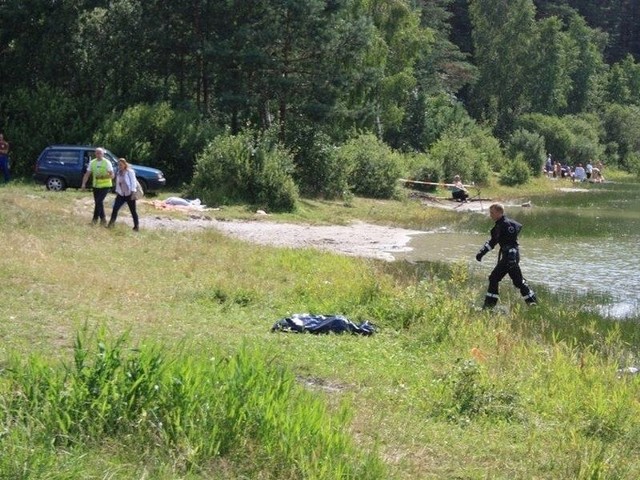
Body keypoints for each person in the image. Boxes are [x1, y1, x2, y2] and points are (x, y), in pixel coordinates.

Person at [475, 203, 537, 309]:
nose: (490, 215)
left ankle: (488, 306)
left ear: (499, 213)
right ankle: (533, 303)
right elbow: (492, 242)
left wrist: (512, 258)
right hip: (507, 257)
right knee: (518, 281)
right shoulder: (497, 227)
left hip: (510, 257)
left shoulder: (508, 225)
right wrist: (482, 253)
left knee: (494, 278)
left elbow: (512, 242)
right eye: (490, 212)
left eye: (492, 213)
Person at [81, 147, 114, 225]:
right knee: (98, 203)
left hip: (105, 185)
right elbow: (87, 174)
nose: (98, 154)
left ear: (103, 154)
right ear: (95, 154)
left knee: (98, 202)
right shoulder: (92, 162)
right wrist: (83, 184)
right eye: (97, 153)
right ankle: (103, 220)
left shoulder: (107, 162)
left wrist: (103, 177)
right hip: (96, 186)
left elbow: (112, 175)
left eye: (100, 153)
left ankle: (94, 220)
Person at [108, 158, 139, 231]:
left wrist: (133, 192)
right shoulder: (118, 172)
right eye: (118, 165)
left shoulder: (130, 172)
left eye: (121, 165)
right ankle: (111, 225)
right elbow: (118, 183)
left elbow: (133, 182)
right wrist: (117, 191)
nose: (119, 166)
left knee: (133, 211)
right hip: (121, 194)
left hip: (129, 194)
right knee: (115, 208)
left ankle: (136, 226)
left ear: (125, 165)